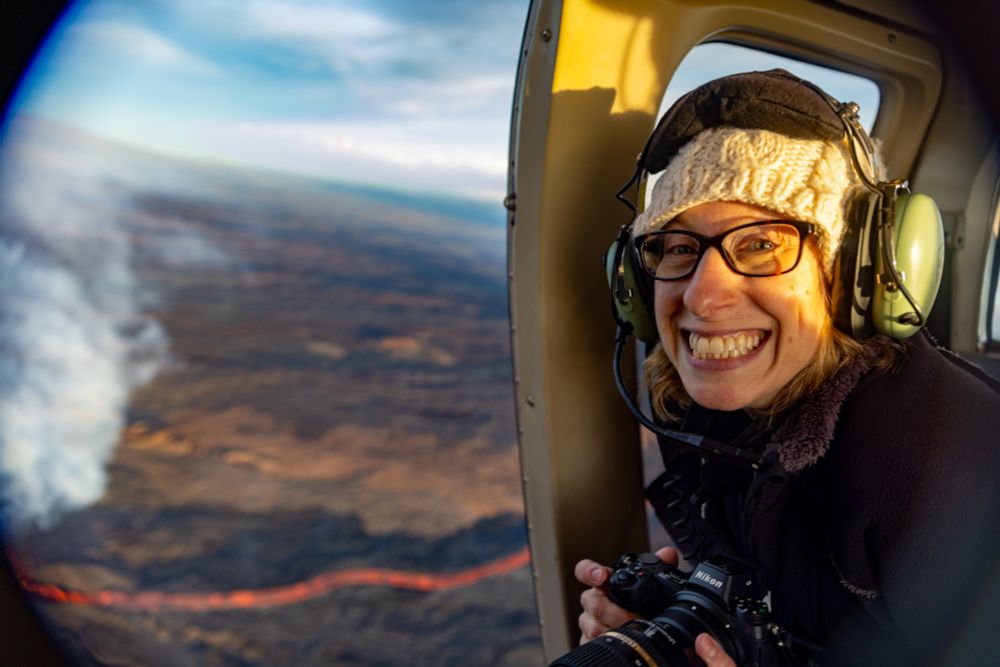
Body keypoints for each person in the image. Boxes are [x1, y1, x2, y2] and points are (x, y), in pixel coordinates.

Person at [574, 70, 1000, 666]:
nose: (701, 297)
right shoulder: (704, 422)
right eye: (677, 247)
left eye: (762, 244)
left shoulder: (944, 470)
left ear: (857, 274)